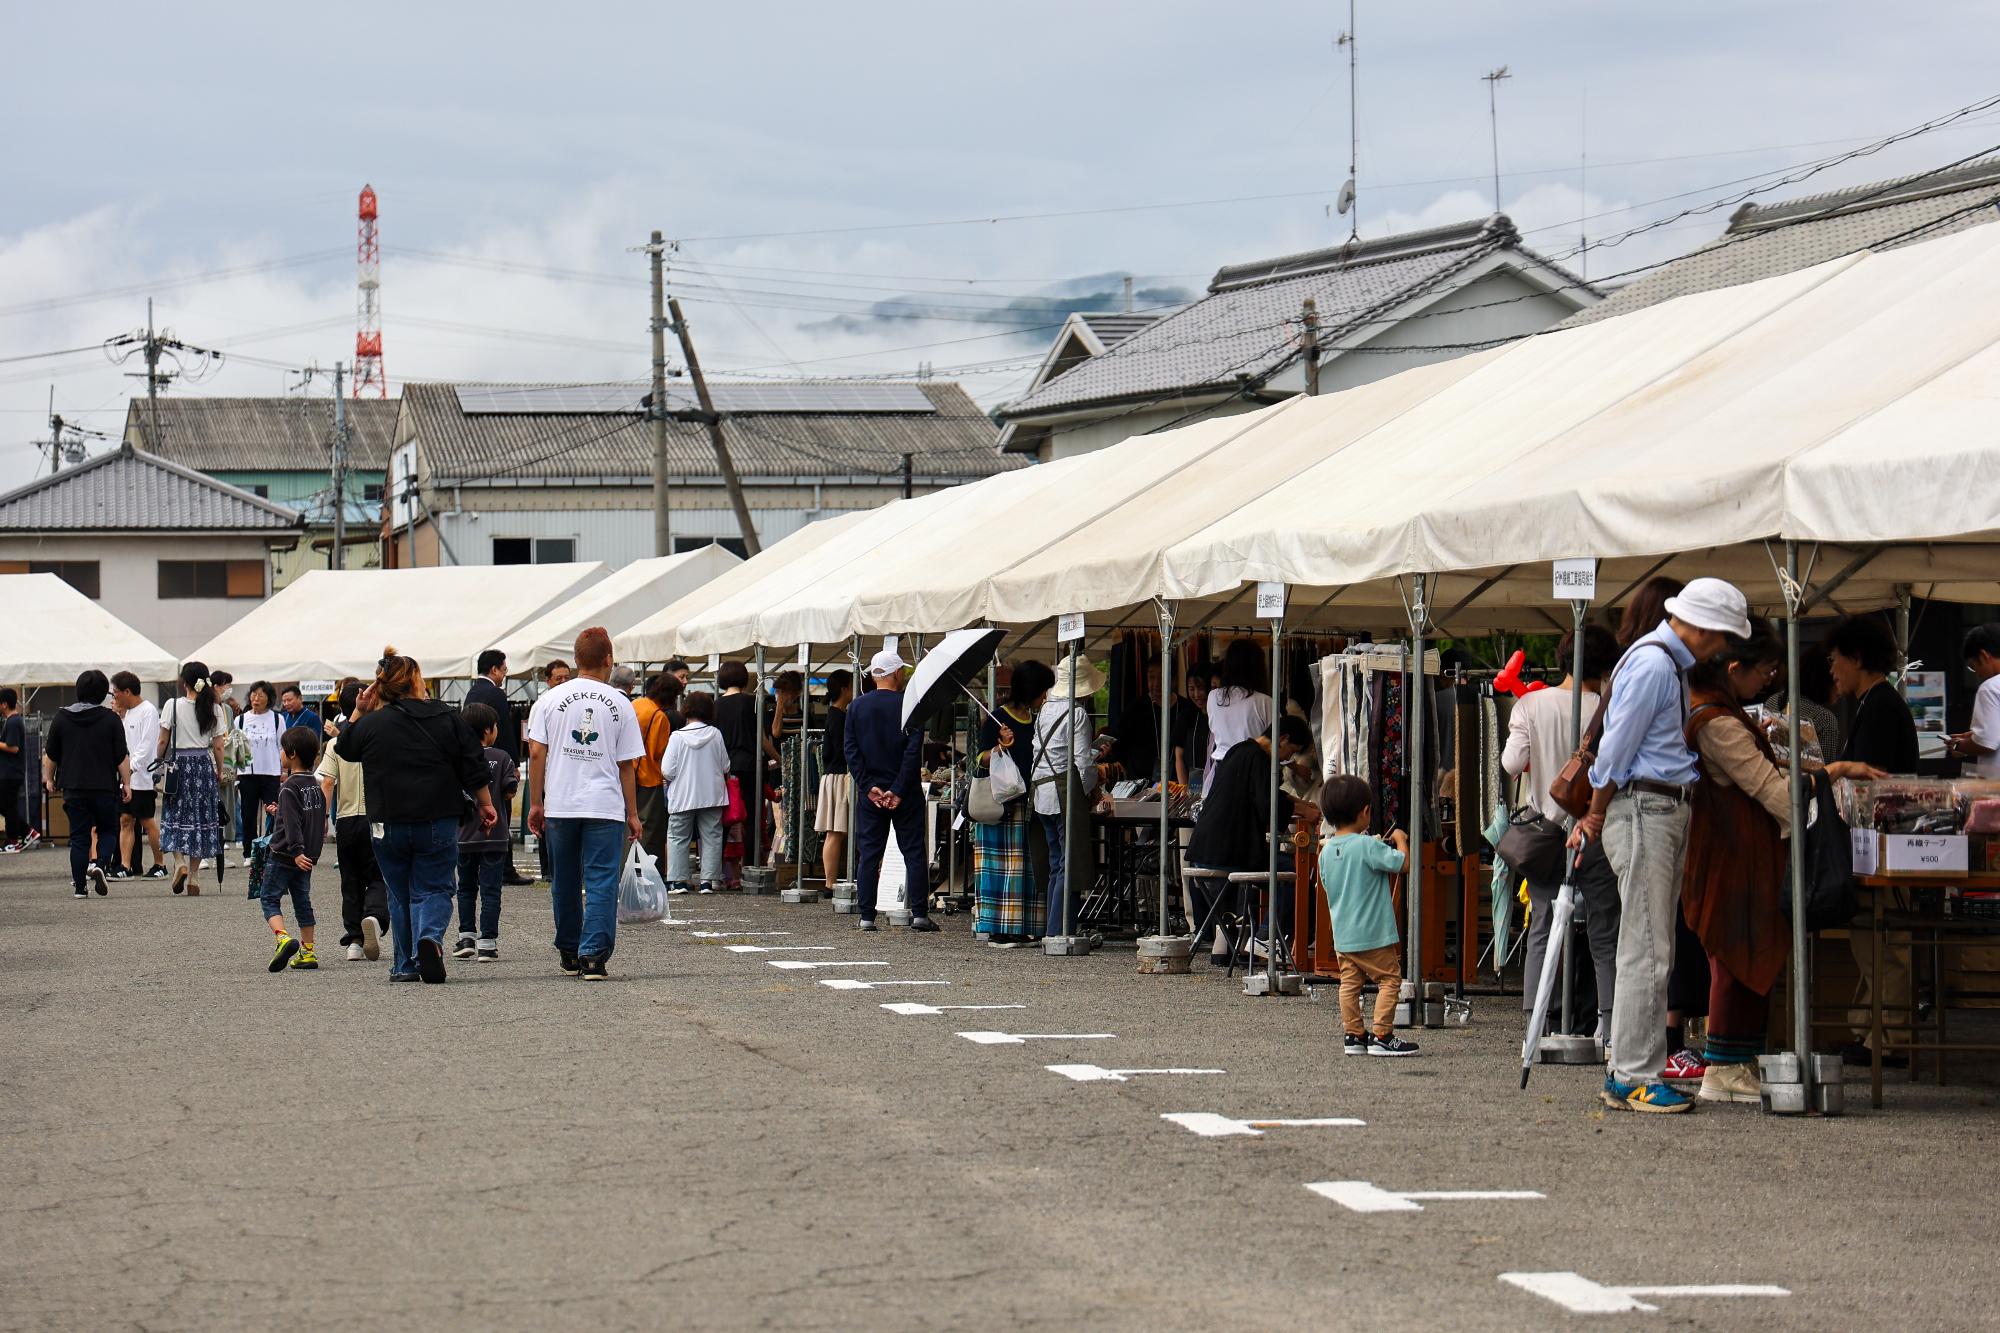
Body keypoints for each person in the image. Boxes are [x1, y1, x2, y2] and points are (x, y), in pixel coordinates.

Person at [1571, 576, 1749, 1115]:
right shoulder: (1655, 665)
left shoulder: (1657, 661)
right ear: (1698, 626)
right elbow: (1618, 747)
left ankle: (1631, 1072)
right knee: (1647, 951)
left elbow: (1621, 745)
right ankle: (1634, 1075)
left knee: (1644, 948)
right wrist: (1597, 811)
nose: (1721, 647)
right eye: (1720, 635)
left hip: (1651, 806)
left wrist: (1600, 810)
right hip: (1647, 807)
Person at [1681, 621, 1793, 1105]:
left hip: (1736, 854)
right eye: (1764, 671)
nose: (1767, 680)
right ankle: (1723, 1068)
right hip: (1730, 858)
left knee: (1741, 952)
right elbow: (1767, 786)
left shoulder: (1714, 711)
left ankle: (1735, 1061)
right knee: (1732, 955)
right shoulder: (1717, 721)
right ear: (1733, 668)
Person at [337, 648, 497, 985]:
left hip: (387, 822)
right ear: (415, 681)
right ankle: (430, 939)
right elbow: (473, 764)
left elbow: (346, 749)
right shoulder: (447, 717)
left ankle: (405, 965)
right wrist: (485, 804)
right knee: (435, 887)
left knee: (400, 893)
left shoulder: (373, 723)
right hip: (436, 816)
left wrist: (358, 711)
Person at [1500, 624, 1621, 1046]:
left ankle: (1536, 1021)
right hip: (1599, 832)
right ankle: (1607, 1025)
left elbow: (1512, 764)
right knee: (1606, 932)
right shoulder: (1611, 708)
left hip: (1547, 834)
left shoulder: (1530, 704)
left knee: (1542, 927)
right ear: (1605, 666)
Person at [525, 627, 643, 980]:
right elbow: (627, 765)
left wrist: (536, 803)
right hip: (604, 805)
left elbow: (535, 752)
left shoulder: (548, 701)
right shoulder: (621, 703)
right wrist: (633, 813)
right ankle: (593, 955)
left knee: (564, 878)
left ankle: (568, 948)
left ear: (576, 660)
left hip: (561, 802)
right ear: (608, 659)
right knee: (601, 879)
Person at [1824, 613, 1916, 1065]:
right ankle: (1869, 1031)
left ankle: (1892, 1038)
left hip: (1885, 846)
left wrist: (1835, 771)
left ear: (1856, 658)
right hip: (1873, 847)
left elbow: (1874, 784)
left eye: (1835, 660)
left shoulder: (1879, 706)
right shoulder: (1873, 703)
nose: (1832, 671)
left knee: (1887, 941)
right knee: (1871, 941)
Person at [1185, 714, 1318, 966]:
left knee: (1280, 867)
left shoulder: (1240, 750)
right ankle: (1265, 939)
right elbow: (1265, 803)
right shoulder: (1259, 759)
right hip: (1228, 853)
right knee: (1292, 873)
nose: (1288, 758)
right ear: (1283, 739)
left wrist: (1298, 803)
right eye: (1291, 751)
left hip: (1206, 849)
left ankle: (1239, 943)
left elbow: (1261, 792)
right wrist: (1303, 810)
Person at [1319, 773, 1419, 1057]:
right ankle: (1383, 1034)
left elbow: (1327, 885)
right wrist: (1400, 839)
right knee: (1390, 979)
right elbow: (1403, 864)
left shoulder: (1326, 852)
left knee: (1349, 984)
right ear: (1365, 812)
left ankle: (1354, 1035)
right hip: (1373, 933)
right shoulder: (1367, 845)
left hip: (1343, 934)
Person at [844, 650, 937, 932]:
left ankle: (866, 916)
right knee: (914, 852)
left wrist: (868, 786)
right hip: (906, 791)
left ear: (874, 675)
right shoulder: (910, 706)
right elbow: (913, 751)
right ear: (896, 673)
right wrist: (897, 789)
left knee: (870, 853)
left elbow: (851, 750)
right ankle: (919, 913)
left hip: (870, 792)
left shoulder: (856, 707)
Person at [1030, 654, 1117, 940]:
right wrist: (1091, 789)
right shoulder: (1076, 714)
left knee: (1056, 863)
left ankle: (1055, 927)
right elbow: (1082, 765)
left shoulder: (1044, 710)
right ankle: (1060, 930)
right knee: (1069, 863)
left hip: (1040, 790)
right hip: (1063, 793)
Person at [975, 660, 1052, 948]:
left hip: (1028, 803)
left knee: (1026, 868)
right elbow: (977, 759)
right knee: (1003, 867)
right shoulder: (997, 718)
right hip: (1002, 804)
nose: (1045, 697)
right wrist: (1000, 747)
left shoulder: (1037, 720)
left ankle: (1020, 927)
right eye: (1043, 690)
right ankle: (998, 928)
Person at [317, 681, 389, 962]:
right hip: (378, 817)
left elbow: (327, 783)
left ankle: (354, 941)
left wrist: (323, 818)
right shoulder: (382, 738)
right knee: (379, 875)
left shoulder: (336, 744)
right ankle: (373, 916)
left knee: (350, 879)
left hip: (346, 819)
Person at [43, 669, 131, 899]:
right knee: (108, 829)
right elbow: (121, 757)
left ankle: (80, 887)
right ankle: (101, 863)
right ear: (103, 693)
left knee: (80, 837)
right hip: (103, 786)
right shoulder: (111, 719)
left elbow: (51, 754)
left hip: (73, 787)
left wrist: (49, 779)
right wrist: (127, 784)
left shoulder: (62, 717)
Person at [454, 701, 518, 962]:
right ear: (490, 730)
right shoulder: (502, 757)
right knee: (491, 889)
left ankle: (466, 936)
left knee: (466, 888)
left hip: (464, 834)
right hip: (495, 836)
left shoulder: (456, 758)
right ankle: (488, 942)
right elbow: (510, 789)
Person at [156, 662, 227, 895]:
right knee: (200, 817)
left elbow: (163, 741)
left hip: (178, 766)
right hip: (203, 766)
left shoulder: (172, 705)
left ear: (184, 682)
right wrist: (219, 771)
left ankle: (180, 862)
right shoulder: (216, 709)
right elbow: (218, 746)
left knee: (175, 814)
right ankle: (194, 877)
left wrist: (158, 761)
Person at [261, 727, 327, 972]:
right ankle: (308, 952)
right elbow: (311, 819)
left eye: (282, 749)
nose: (280, 753)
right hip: (306, 857)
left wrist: (296, 850)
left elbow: (292, 823)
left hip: (285, 853)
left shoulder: (288, 787)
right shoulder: (316, 787)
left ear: (292, 754)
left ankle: (282, 938)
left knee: (269, 898)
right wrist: (307, 852)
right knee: (302, 901)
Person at [662, 689, 731, 894]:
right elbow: (725, 765)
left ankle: (680, 881)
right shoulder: (715, 734)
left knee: (678, 836)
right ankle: (708, 881)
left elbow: (667, 770)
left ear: (686, 710)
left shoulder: (676, 736)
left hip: (682, 795)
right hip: (711, 794)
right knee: (711, 836)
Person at [110, 672, 165, 880]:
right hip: (127, 778)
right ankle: (126, 866)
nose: (114, 697)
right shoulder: (128, 713)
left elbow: (146, 745)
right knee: (125, 819)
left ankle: (160, 864)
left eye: (116, 692)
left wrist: (130, 769)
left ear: (127, 691)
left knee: (147, 821)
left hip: (141, 777)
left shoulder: (148, 711)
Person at [1204, 639, 1273, 794]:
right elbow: (1276, 743)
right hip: (1252, 771)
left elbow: (1214, 728)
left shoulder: (1213, 697)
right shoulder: (1264, 701)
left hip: (1222, 769)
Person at [713, 660, 759, 887]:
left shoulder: (716, 705)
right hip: (750, 764)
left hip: (724, 767)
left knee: (722, 818)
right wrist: (778, 759)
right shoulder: (753, 702)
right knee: (750, 818)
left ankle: (716, 870)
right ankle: (750, 868)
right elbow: (762, 737)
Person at [1112, 663, 1196, 785]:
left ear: (1174, 680)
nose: (1156, 683)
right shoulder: (1134, 709)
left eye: (1161, 677)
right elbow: (1120, 746)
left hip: (1178, 784)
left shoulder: (1186, 708)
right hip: (1140, 786)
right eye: (1152, 677)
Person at [633, 672, 681, 875]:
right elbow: (658, 752)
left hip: (627, 773)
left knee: (630, 826)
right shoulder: (659, 716)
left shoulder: (636, 704)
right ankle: (645, 872)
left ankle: (627, 868)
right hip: (648, 776)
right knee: (649, 829)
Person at [233, 681, 284, 866]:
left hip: (270, 772)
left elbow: (281, 746)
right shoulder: (240, 720)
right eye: (254, 694)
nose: (256, 698)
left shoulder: (277, 719)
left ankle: (271, 849)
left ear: (269, 699)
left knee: (273, 813)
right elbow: (235, 747)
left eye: (261, 695)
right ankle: (250, 853)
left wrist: (284, 771)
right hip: (247, 773)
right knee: (248, 814)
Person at [816, 669, 855, 893]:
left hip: (833, 776)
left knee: (835, 831)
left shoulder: (835, 714)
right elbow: (842, 751)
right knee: (835, 831)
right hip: (840, 777)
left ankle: (830, 881)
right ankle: (830, 882)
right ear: (844, 687)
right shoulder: (839, 716)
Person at [1949, 622, 2000, 776]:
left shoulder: (1990, 688)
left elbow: (1986, 743)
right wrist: (1973, 736)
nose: (1977, 673)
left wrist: (1958, 746)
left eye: (1973, 666)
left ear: (1984, 656)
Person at [467, 650, 517, 759]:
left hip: (473, 754)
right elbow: (504, 730)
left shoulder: (472, 692)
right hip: (495, 757)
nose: (505, 674)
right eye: (504, 670)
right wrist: (513, 762)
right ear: (494, 670)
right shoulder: (496, 693)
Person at [0, 687, 32, 852]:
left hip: (11, 773)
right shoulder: (12, 720)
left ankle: (13, 840)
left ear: (4, 704)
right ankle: (27, 831)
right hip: (10, 772)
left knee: (9, 806)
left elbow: (13, 748)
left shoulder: (13, 721)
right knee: (6, 805)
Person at [1173, 662, 1214, 791]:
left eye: (1200, 688)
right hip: (1191, 788)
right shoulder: (1185, 717)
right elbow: (1179, 756)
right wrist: (1184, 788)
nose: (1196, 694)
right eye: (1191, 689)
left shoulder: (1220, 717)